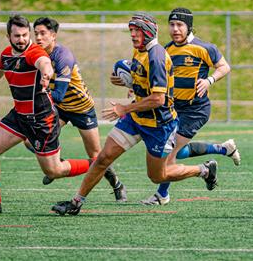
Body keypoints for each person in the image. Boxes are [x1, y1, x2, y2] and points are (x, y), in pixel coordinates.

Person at [51, 12, 219, 216]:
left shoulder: (156, 56)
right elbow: (143, 82)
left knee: (158, 176)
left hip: (159, 126)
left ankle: (203, 170)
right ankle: (76, 202)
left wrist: (124, 109)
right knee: (103, 158)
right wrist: (126, 80)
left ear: (148, 31)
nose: (132, 34)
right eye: (131, 30)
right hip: (136, 120)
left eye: (136, 30)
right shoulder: (140, 50)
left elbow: (159, 99)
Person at [0, 15, 92, 213]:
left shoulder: (34, 52)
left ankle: (97, 165)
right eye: (17, 36)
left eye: (24, 35)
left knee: (53, 171)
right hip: (19, 116)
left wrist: (47, 73)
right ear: (8, 36)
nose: (21, 39)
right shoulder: (7, 54)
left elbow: (43, 63)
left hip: (41, 120)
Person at [141, 7, 240, 205]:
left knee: (168, 154)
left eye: (180, 25)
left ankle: (162, 194)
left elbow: (224, 67)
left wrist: (209, 80)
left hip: (195, 110)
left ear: (189, 26)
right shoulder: (167, 50)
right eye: (172, 24)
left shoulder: (204, 48)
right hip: (173, 109)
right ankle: (223, 149)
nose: (175, 29)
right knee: (176, 150)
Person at [28, 17, 126, 202]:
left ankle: (117, 184)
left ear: (53, 36)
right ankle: (57, 165)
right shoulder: (36, 54)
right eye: (36, 34)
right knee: (30, 139)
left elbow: (59, 94)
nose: (38, 38)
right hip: (59, 108)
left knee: (97, 156)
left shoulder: (63, 56)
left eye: (43, 33)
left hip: (81, 108)